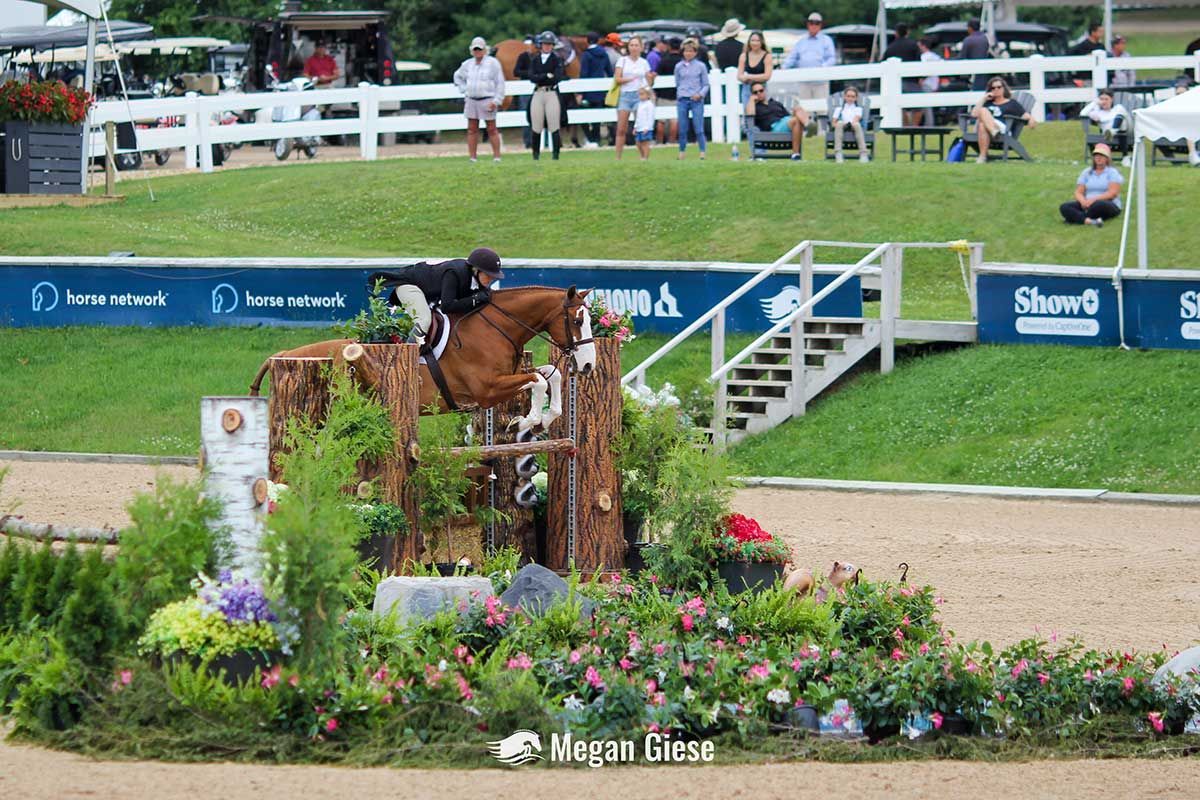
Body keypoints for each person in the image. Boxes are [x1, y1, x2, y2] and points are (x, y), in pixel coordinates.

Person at [371, 248, 505, 343]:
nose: (490, 280)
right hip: (410, 285)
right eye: (488, 275)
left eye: (493, 276)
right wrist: (476, 299)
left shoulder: (475, 281)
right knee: (424, 320)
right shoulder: (454, 273)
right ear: (476, 270)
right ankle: (405, 358)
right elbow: (447, 306)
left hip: (429, 293)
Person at [453, 37, 506, 163]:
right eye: (475, 49)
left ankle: (497, 157)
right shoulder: (467, 64)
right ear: (472, 50)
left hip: (487, 98)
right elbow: (457, 76)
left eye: (480, 49)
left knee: (492, 129)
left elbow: (500, 83)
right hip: (471, 99)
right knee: (472, 129)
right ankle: (473, 157)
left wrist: (496, 100)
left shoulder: (493, 63)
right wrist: (464, 89)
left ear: (484, 50)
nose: (477, 51)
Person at [969, 76, 1034, 163]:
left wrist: (1031, 119)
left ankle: (983, 155)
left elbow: (1025, 115)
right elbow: (974, 114)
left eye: (999, 87)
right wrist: (983, 99)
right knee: (982, 124)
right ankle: (983, 155)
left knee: (983, 111)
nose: (996, 89)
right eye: (993, 88)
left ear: (1004, 88)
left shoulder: (1012, 103)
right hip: (990, 130)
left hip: (1004, 129)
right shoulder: (987, 103)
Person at [1059, 143, 1123, 227]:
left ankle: (1073, 219)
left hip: (1107, 203)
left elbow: (1112, 193)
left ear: (1107, 158)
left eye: (1102, 155)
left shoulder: (1112, 172)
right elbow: (1078, 192)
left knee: (1098, 205)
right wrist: (1083, 202)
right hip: (1087, 203)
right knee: (1065, 207)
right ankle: (1090, 221)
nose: (1098, 157)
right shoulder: (1087, 172)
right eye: (1096, 155)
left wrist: (1093, 200)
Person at [614, 35, 655, 160]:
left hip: (639, 96)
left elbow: (649, 83)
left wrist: (651, 78)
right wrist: (629, 79)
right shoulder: (622, 61)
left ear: (641, 47)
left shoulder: (644, 62)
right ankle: (618, 157)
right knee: (621, 128)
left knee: (641, 127)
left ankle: (643, 156)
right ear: (628, 47)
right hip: (625, 95)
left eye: (636, 45)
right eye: (631, 45)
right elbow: (617, 79)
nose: (634, 48)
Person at [527, 31, 566, 160]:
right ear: (541, 45)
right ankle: (535, 154)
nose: (547, 46)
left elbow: (557, 77)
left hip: (551, 92)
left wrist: (542, 77)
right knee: (536, 124)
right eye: (545, 44)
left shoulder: (557, 59)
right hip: (538, 92)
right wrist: (545, 75)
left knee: (554, 123)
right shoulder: (535, 59)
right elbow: (531, 77)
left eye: (550, 44)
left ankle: (555, 155)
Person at [745, 81, 809, 161]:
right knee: (795, 121)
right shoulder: (755, 107)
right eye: (755, 92)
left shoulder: (775, 103)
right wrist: (751, 100)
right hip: (774, 128)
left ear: (765, 90)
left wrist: (795, 114)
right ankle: (796, 153)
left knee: (798, 109)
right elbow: (749, 115)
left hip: (786, 122)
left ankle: (808, 125)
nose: (759, 93)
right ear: (753, 94)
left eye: (761, 90)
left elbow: (787, 116)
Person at [782, 12, 837, 102]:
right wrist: (783, 67)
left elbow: (832, 58)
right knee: (805, 110)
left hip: (820, 81)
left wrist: (822, 67)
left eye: (817, 23)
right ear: (808, 24)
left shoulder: (827, 40)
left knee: (821, 109)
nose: (814, 25)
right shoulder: (801, 41)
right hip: (804, 81)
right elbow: (792, 58)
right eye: (811, 23)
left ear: (821, 25)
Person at [674, 39, 710, 160]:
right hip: (683, 99)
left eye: (691, 51)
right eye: (686, 51)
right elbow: (678, 82)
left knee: (698, 127)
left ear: (695, 52)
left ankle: (702, 151)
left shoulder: (701, 66)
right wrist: (680, 94)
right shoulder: (678, 67)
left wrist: (700, 94)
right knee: (683, 128)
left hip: (696, 100)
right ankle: (682, 151)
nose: (688, 53)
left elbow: (706, 84)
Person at [578, 32, 613, 149]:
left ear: (587, 41)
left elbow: (584, 74)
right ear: (598, 41)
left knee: (583, 116)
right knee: (597, 116)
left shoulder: (586, 55)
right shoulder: (604, 54)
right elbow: (609, 72)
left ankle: (590, 138)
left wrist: (580, 93)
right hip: (600, 90)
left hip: (588, 91)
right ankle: (596, 139)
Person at [884, 23, 922, 125]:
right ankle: (914, 126)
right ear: (907, 32)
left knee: (900, 107)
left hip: (896, 83)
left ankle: (905, 126)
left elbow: (883, 62)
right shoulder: (913, 45)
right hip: (912, 81)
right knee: (918, 107)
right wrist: (920, 78)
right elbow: (919, 62)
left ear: (896, 33)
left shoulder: (891, 47)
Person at [654, 38, 682, 144]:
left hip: (663, 95)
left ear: (669, 47)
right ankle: (672, 141)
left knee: (661, 121)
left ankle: (659, 142)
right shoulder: (682, 61)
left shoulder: (663, 60)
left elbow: (657, 76)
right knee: (674, 120)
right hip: (676, 94)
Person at [832, 85, 868, 163]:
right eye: (848, 96)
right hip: (842, 127)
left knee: (857, 124)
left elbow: (856, 119)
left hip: (853, 126)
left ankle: (863, 154)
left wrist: (850, 123)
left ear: (856, 98)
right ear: (844, 97)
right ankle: (838, 153)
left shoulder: (858, 109)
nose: (850, 98)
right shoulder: (839, 109)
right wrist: (839, 124)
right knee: (839, 123)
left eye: (852, 96)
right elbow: (833, 123)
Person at [737, 30, 773, 106]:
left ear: (762, 42)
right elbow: (739, 76)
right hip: (747, 89)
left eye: (757, 41)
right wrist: (743, 78)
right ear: (749, 42)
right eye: (752, 40)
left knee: (763, 113)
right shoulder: (743, 56)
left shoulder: (767, 56)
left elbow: (767, 76)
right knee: (748, 114)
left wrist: (749, 77)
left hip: (761, 89)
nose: (755, 43)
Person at [515, 35, 537, 149]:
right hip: (525, 88)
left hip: (537, 88)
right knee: (525, 113)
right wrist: (529, 74)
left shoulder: (538, 56)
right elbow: (516, 72)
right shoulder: (522, 57)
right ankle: (528, 140)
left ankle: (539, 139)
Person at [959, 18, 991, 90]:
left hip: (973, 72)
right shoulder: (986, 38)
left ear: (970, 28)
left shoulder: (968, 40)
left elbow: (962, 57)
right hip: (985, 71)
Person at [917, 36, 942, 127]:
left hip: (926, 84)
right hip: (935, 84)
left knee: (927, 107)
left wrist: (921, 79)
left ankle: (929, 124)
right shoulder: (936, 57)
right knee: (928, 106)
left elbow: (924, 71)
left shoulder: (923, 57)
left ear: (923, 46)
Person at [634, 87, 655, 160]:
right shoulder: (640, 104)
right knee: (638, 143)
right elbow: (638, 117)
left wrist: (647, 127)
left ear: (648, 95)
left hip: (646, 128)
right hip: (639, 127)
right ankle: (642, 155)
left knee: (645, 143)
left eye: (642, 94)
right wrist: (635, 127)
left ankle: (645, 157)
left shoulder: (649, 105)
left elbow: (650, 117)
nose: (640, 96)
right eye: (639, 95)